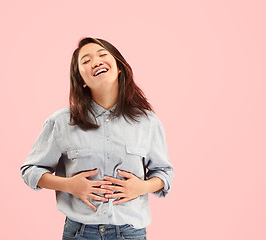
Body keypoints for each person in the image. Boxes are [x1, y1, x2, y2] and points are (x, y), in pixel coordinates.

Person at [20, 37, 174, 240]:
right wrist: (69, 185)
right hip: (80, 232)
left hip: (130, 233)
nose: (96, 61)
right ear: (82, 80)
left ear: (119, 67)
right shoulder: (62, 121)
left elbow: (164, 173)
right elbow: (30, 171)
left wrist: (141, 187)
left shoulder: (147, 122)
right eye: (86, 60)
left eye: (102, 55)